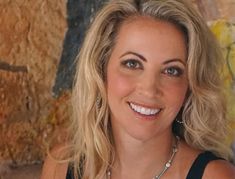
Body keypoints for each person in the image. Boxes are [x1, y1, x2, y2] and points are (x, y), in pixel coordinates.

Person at [41, 0, 235, 178]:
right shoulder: (61, 166)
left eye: (171, 70)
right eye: (133, 64)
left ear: (190, 86)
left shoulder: (215, 176)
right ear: (100, 71)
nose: (150, 89)